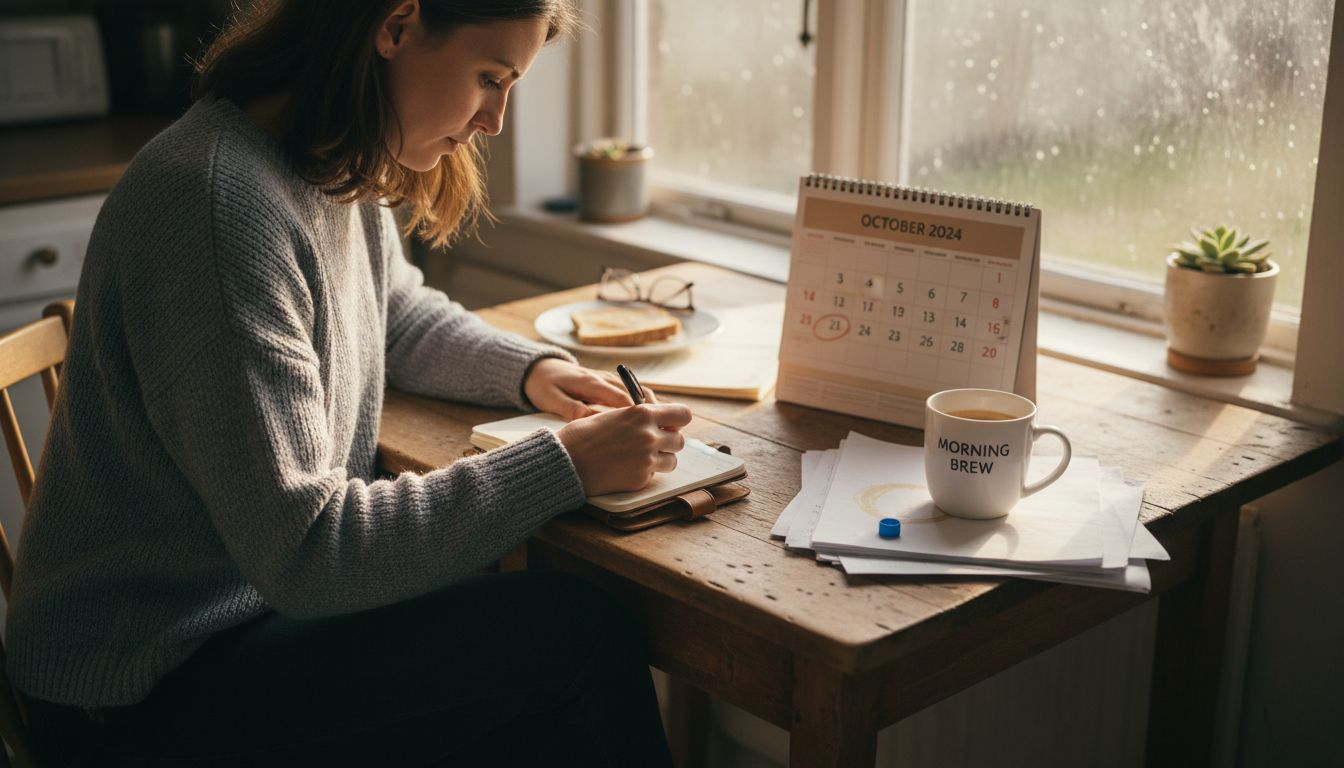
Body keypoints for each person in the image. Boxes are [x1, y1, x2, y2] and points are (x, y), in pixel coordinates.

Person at [4, 1, 686, 765]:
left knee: (528, 623)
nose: (496, 120)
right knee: (575, 639)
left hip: (241, 616)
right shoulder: (215, 205)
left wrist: (538, 373)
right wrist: (565, 464)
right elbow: (311, 552)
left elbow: (392, 313)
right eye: (490, 78)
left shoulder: (322, 157)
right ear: (395, 26)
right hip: (134, 692)